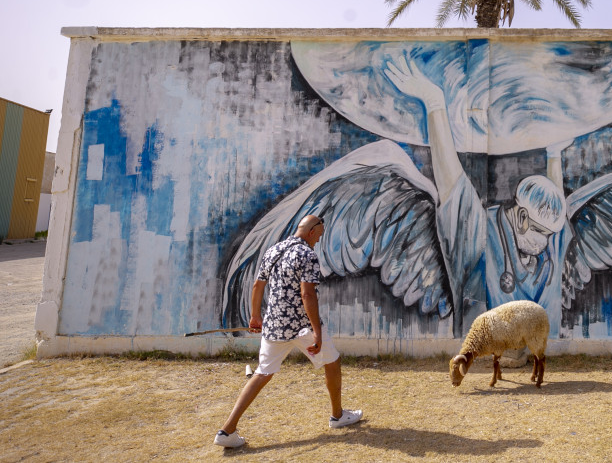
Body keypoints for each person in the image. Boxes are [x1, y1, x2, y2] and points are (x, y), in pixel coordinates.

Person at [385, 56, 572, 336]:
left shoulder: (545, 244)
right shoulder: (482, 234)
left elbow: (557, 207)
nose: (549, 242)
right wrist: (435, 103)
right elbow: (451, 183)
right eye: (543, 233)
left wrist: (555, 153)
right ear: (521, 217)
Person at [214, 214, 362, 448]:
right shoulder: (307, 254)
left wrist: (255, 317)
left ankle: (227, 431)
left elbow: (257, 285)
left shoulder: (274, 250)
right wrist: (317, 331)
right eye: (319, 237)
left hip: (274, 326)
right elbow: (307, 294)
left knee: (262, 373)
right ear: (312, 232)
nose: (318, 242)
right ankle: (337, 416)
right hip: (301, 326)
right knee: (332, 361)